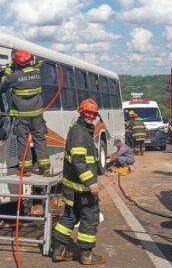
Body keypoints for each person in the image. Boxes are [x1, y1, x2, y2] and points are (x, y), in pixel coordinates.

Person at [51, 98, 106, 265]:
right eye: (88, 113)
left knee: (69, 217)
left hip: (72, 187)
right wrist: (91, 182)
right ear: (81, 113)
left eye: (93, 114)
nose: (91, 116)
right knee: (90, 217)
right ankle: (87, 256)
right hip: (82, 189)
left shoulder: (81, 130)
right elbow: (78, 160)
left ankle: (59, 251)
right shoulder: (79, 132)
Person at [1, 49, 50, 175]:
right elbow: (40, 63)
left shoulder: (15, 76)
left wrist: (8, 68)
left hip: (22, 116)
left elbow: (3, 84)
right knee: (39, 138)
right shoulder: (37, 73)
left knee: (22, 140)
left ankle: (25, 169)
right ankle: (45, 166)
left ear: (17, 63)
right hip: (37, 114)